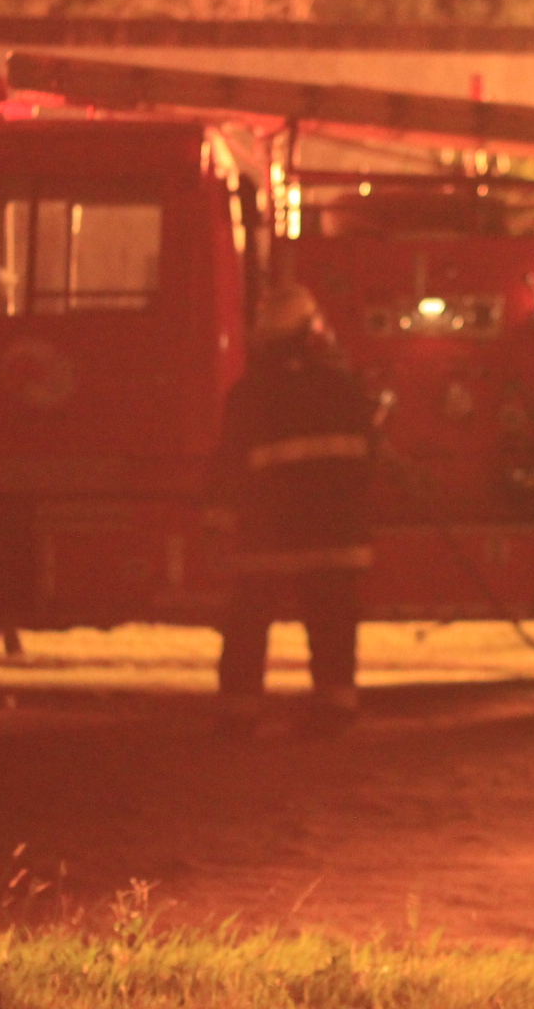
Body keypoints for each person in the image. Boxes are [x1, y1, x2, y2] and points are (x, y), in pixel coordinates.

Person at [212, 282, 376, 738]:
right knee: (333, 626)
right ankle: (335, 708)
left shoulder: (247, 396)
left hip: (270, 540)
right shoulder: (346, 389)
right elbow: (369, 462)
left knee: (248, 623)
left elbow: (228, 468)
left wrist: (220, 525)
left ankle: (238, 712)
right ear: (310, 334)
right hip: (336, 538)